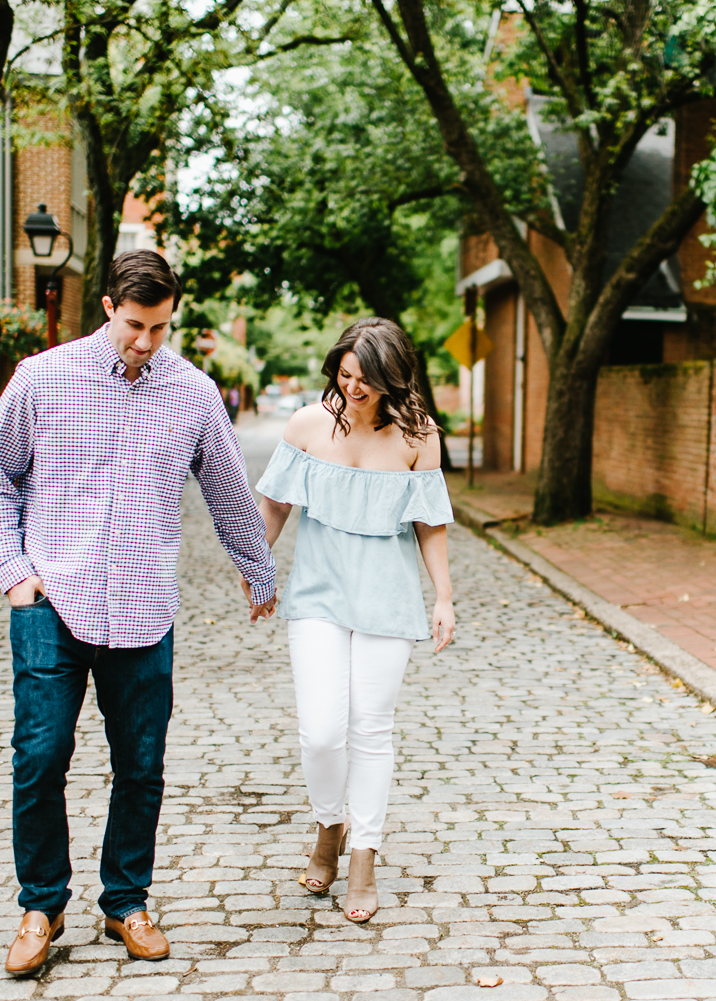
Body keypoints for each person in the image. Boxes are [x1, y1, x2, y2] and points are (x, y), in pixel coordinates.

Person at [0, 250, 278, 977]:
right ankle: (41, 904)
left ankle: (125, 900)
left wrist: (256, 568)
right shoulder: (43, 379)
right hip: (54, 599)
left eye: (161, 327)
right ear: (109, 307)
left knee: (140, 764)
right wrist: (14, 574)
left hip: (143, 609)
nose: (146, 342)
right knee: (40, 757)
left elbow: (230, 493)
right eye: (136, 325)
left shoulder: (194, 392)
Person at [254, 316, 454, 924]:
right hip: (317, 593)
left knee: (372, 729)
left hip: (387, 601)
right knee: (321, 731)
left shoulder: (419, 437)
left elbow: (430, 524)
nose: (354, 389)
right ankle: (328, 824)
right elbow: (276, 502)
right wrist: (259, 570)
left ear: (393, 378)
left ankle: (362, 853)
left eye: (367, 380)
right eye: (345, 376)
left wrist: (443, 598)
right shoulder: (309, 425)